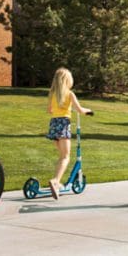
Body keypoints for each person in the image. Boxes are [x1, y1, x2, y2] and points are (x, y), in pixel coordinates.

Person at [46, 67, 92, 200]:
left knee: (61, 156)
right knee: (66, 157)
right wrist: (88, 111)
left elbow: (49, 110)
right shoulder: (70, 94)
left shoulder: (53, 94)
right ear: (68, 81)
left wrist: (59, 108)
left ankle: (57, 180)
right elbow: (80, 109)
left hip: (54, 125)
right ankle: (55, 180)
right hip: (63, 124)